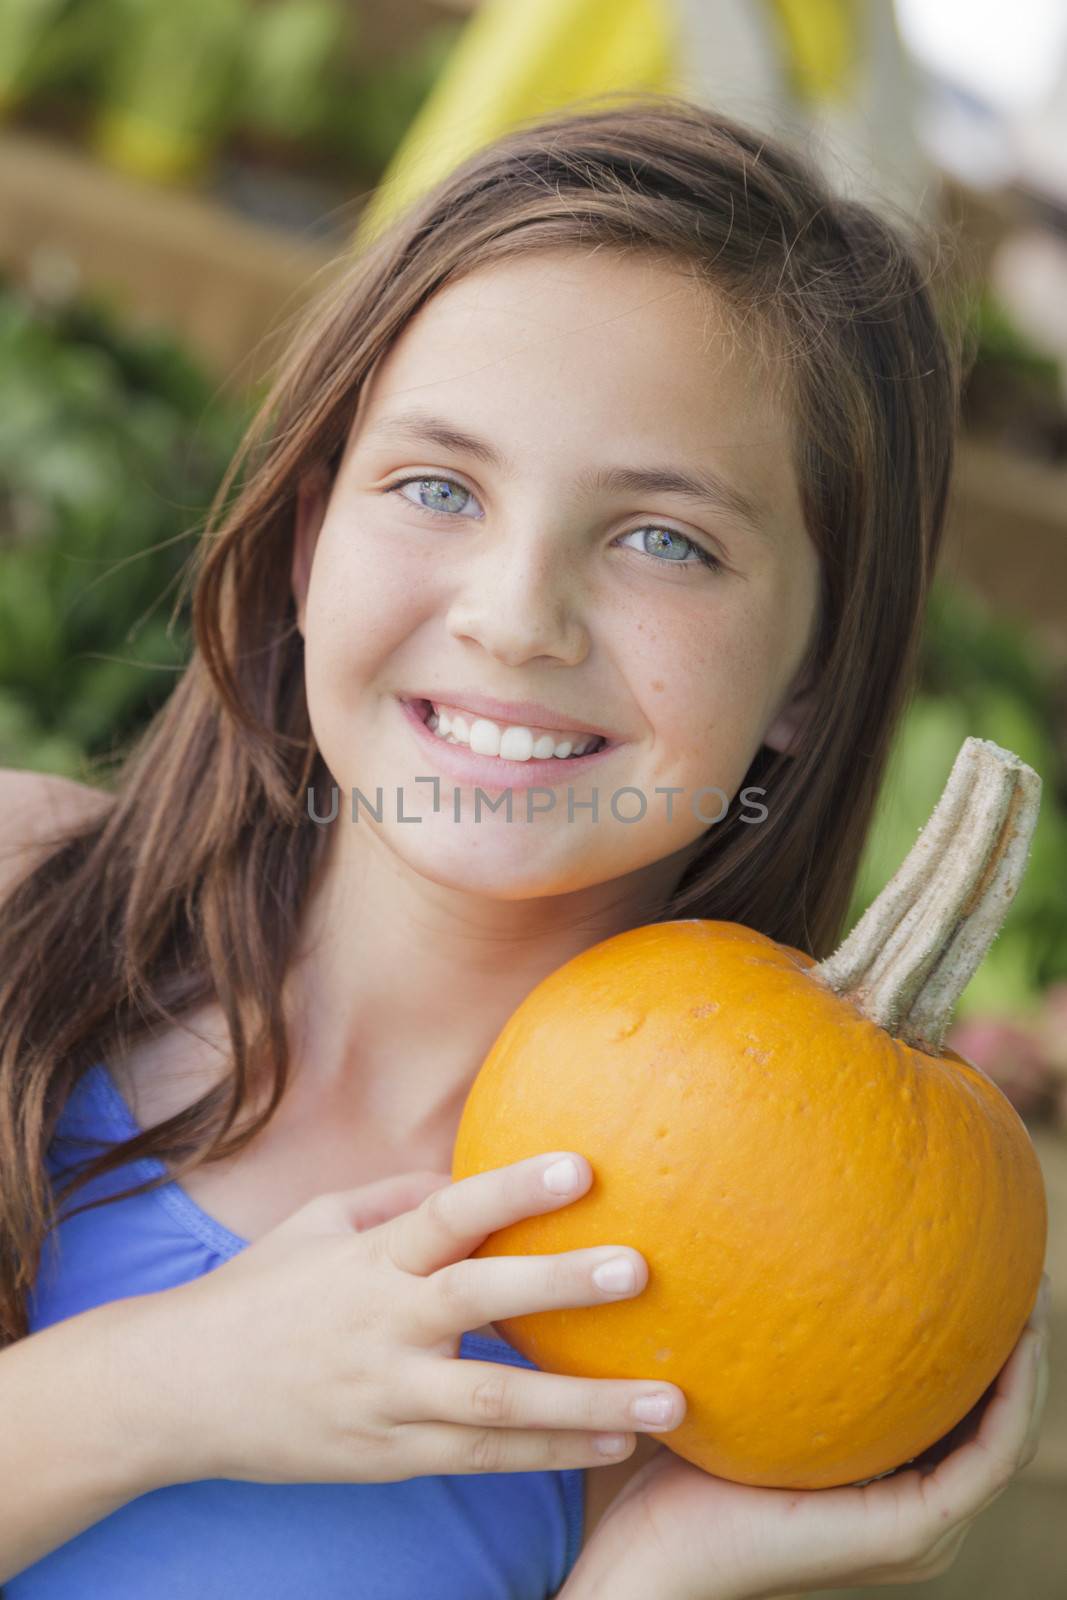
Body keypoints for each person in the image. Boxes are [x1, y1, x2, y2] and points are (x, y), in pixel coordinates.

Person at [0, 94, 1051, 1599]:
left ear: (815, 672)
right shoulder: (17, 900)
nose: (514, 615)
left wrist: (641, 1587)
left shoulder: (718, 1331)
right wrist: (170, 1385)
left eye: (664, 540)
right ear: (311, 540)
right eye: (437, 487)